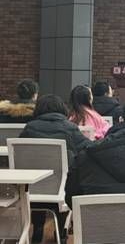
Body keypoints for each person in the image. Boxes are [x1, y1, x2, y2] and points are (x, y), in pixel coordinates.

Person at [20, 94, 92, 243]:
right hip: (61, 189)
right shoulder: (70, 128)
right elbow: (87, 149)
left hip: (31, 188)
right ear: (62, 109)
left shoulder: (29, 128)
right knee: (70, 177)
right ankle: (60, 232)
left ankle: (38, 229)